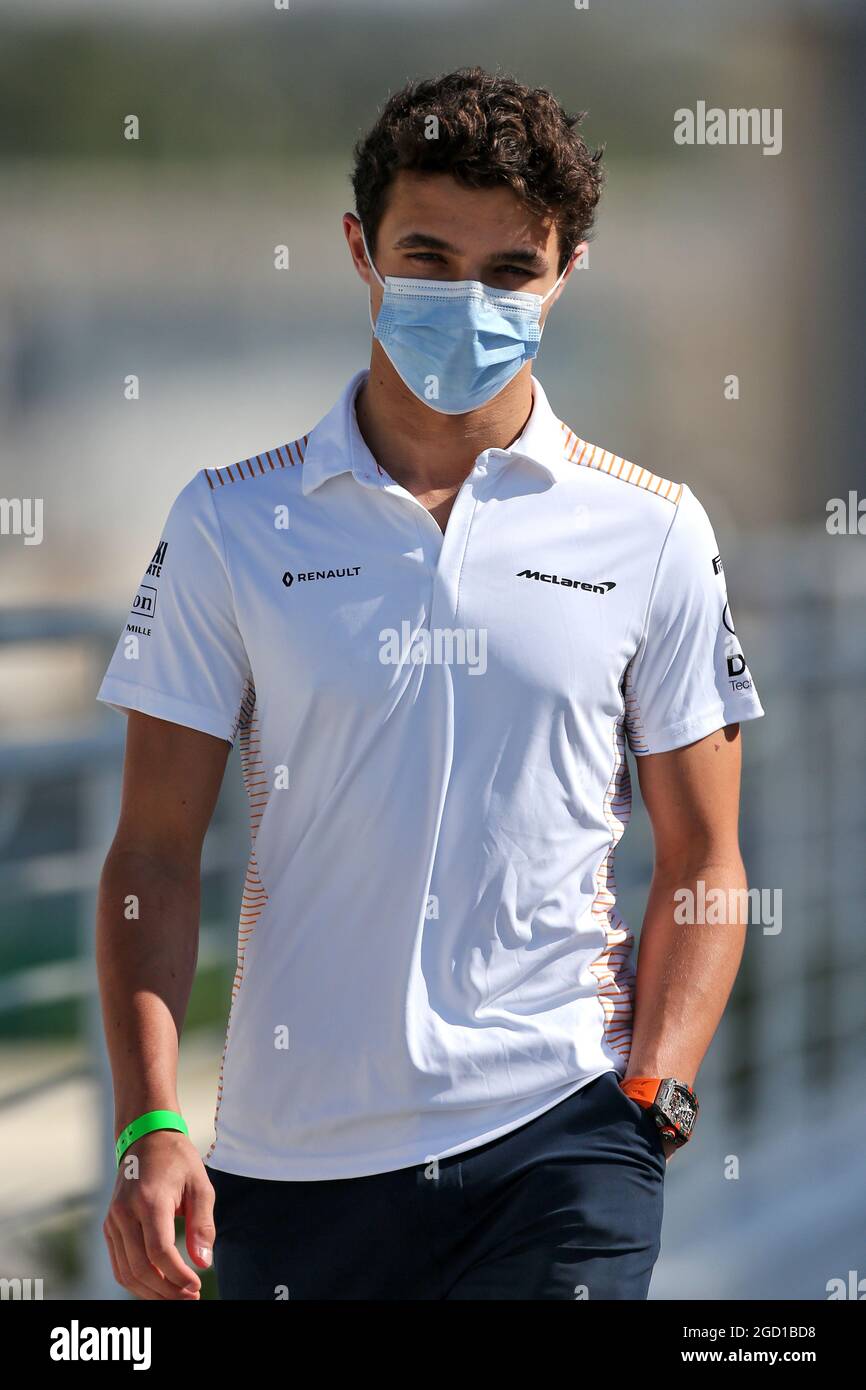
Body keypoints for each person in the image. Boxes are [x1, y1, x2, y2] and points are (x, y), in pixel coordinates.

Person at [96, 66, 764, 1301]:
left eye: (510, 269)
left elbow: (706, 856)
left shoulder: (652, 529)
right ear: (359, 250)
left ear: (566, 272)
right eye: (427, 256)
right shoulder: (230, 522)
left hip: (563, 1137)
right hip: (292, 1162)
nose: (467, 300)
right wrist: (149, 1125)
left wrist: (651, 1099)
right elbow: (150, 851)